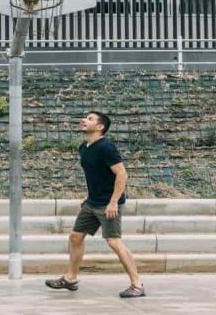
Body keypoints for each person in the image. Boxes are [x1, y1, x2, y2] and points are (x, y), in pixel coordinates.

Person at [45, 111, 145, 298]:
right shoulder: (84, 147)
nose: (83, 120)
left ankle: (137, 285)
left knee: (114, 242)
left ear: (100, 127)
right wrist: (89, 196)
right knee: (75, 236)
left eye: (90, 119)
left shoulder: (106, 147)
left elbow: (122, 174)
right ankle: (71, 279)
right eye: (85, 117)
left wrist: (113, 201)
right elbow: (97, 175)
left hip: (109, 204)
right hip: (93, 202)